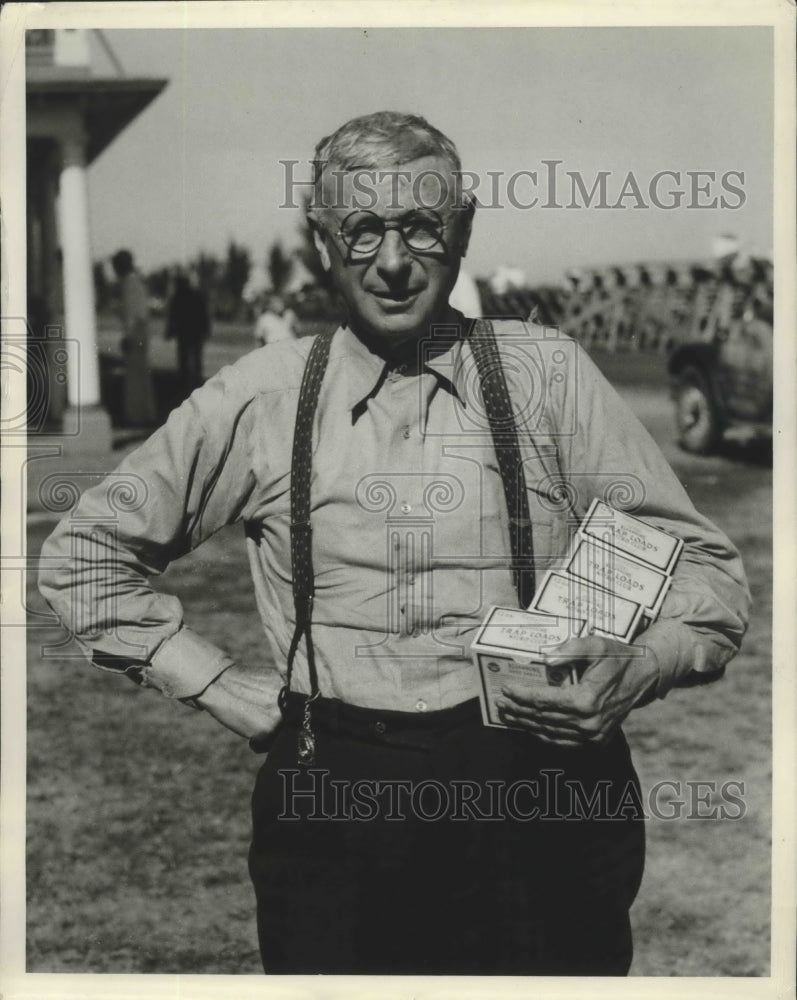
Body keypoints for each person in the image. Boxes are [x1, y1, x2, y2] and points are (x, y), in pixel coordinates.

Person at [39, 111, 749, 976]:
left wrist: (639, 667)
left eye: (422, 225)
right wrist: (216, 684)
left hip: (542, 787)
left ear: (464, 231)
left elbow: (704, 572)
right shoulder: (259, 398)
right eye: (362, 229)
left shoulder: (548, 376)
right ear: (321, 244)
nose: (392, 259)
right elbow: (83, 555)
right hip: (335, 804)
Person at [111, 248, 157, 427]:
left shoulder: (129, 284)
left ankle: (137, 416)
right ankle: (145, 413)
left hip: (136, 332)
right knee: (141, 375)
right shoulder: (135, 281)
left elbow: (133, 314)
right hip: (140, 331)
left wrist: (128, 336)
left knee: (135, 377)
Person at [165, 272, 211, 391]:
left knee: (184, 360)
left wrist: (169, 332)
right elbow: (204, 315)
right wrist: (206, 330)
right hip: (195, 333)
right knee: (196, 359)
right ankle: (196, 383)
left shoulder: (177, 297)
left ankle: (185, 385)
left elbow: (172, 317)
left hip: (185, 334)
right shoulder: (196, 295)